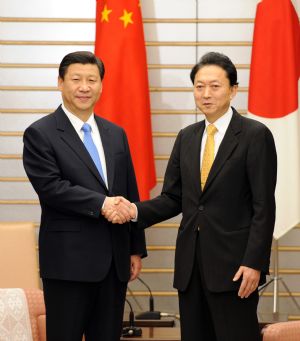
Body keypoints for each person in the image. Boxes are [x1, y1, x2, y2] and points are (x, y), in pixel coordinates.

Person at [103, 52, 277, 341]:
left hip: (236, 269)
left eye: (215, 86)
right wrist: (132, 210)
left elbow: (263, 206)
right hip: (190, 267)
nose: (206, 94)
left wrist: (255, 262)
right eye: (199, 86)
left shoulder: (254, 135)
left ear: (234, 89)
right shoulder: (187, 136)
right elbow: (173, 198)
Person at [23, 51, 147, 341]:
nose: (84, 87)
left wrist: (134, 247)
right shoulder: (40, 133)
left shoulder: (116, 133)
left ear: (101, 86)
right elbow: (51, 188)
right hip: (69, 262)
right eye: (76, 79)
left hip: (115, 262)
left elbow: (129, 190)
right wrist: (102, 204)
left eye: (92, 80)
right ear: (60, 83)